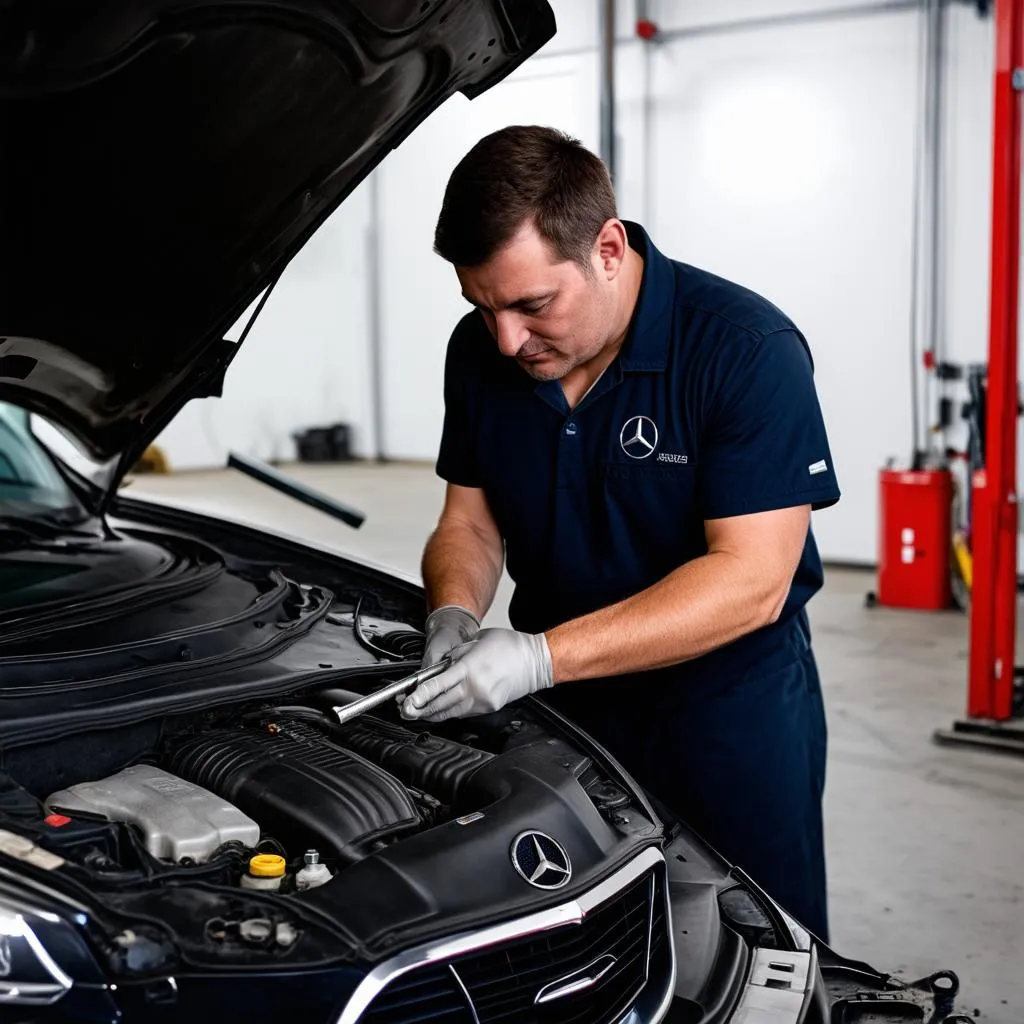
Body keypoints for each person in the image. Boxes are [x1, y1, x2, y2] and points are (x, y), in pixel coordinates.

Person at [399, 125, 840, 941]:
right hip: (565, 710)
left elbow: (753, 578)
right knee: (580, 932)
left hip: (724, 712)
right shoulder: (483, 352)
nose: (507, 340)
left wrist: (537, 654)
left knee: (757, 938)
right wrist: (453, 611)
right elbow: (470, 519)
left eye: (533, 305)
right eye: (483, 307)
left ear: (608, 248)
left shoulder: (744, 350)